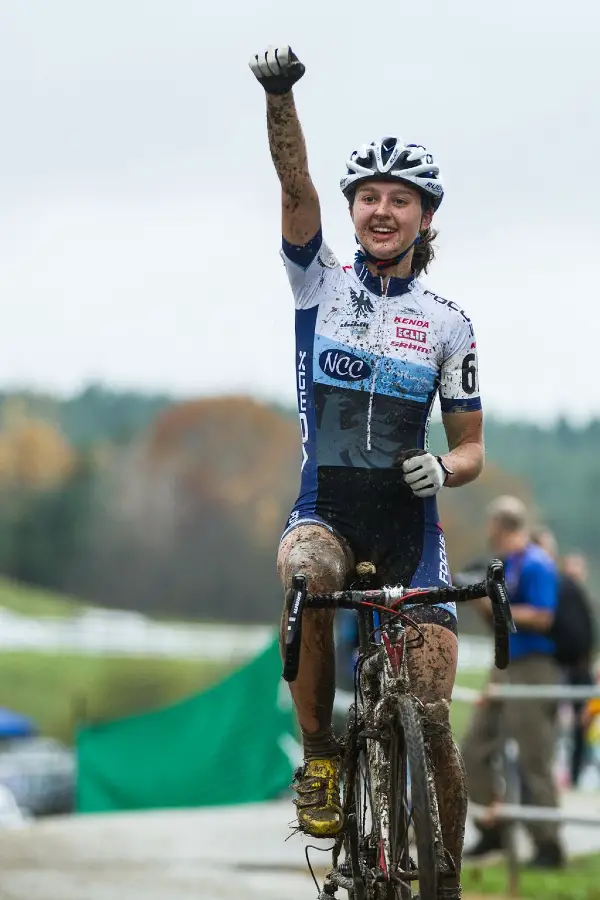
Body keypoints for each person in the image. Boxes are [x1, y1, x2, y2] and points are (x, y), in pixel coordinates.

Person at [249, 46, 484, 896]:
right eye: (370, 198)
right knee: (305, 577)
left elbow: (472, 447)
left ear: (425, 218)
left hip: (411, 529)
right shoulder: (320, 286)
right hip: (330, 509)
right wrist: (281, 98)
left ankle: (446, 884)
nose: (383, 210)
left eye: (402, 200)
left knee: (432, 719)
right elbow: (293, 189)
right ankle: (318, 757)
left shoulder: (449, 323)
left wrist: (444, 469)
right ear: (354, 212)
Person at [462, 497, 565, 869]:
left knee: (533, 757)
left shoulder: (537, 563)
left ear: (499, 526)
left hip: (534, 665)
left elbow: (543, 615)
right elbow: (498, 620)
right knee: (472, 748)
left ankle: (548, 843)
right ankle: (495, 827)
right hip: (504, 663)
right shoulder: (506, 565)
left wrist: (497, 606)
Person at [533, 536, 596, 786]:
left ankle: (576, 773)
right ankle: (560, 773)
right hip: (563, 664)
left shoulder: (574, 592)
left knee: (582, 724)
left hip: (580, 667)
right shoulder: (562, 588)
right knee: (554, 722)